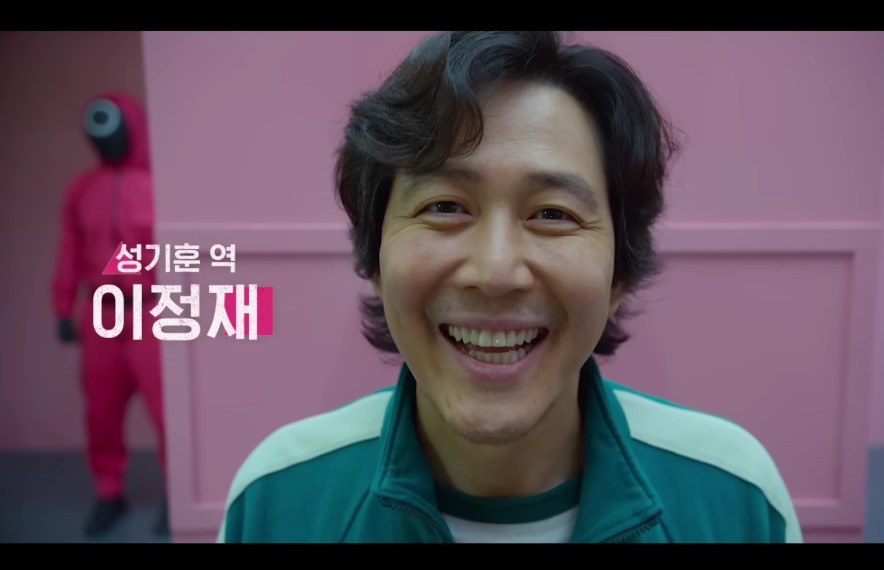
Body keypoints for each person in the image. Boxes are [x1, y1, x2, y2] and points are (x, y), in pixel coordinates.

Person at [217, 31, 802, 543]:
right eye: (445, 207)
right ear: (374, 254)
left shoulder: (736, 498)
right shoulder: (277, 499)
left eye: (552, 214)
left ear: (619, 273)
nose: (496, 273)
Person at [52, 92, 169, 537]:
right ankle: (108, 492)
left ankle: (174, 494)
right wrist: (63, 306)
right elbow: (69, 250)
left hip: (150, 313)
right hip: (100, 315)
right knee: (100, 413)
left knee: (166, 411)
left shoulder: (159, 187)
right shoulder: (80, 190)